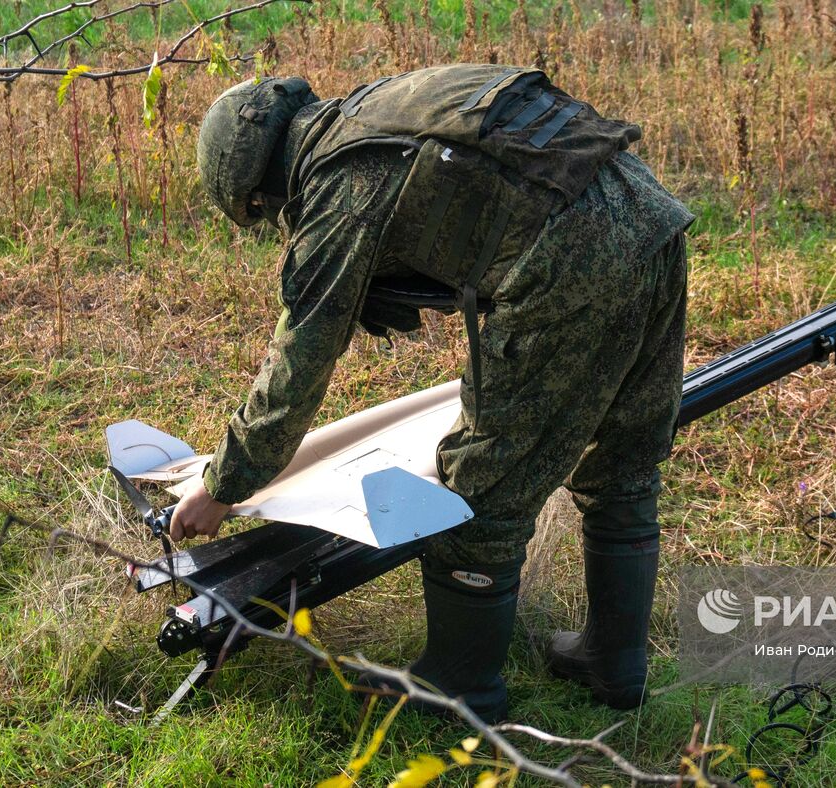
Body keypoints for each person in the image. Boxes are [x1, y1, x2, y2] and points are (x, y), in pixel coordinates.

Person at [170, 66, 693, 723]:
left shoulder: (339, 180)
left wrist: (222, 485)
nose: (276, 223)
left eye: (264, 215)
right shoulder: (372, 113)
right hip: (648, 214)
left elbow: (298, 364)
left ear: (259, 187)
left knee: (476, 489)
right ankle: (615, 663)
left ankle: (460, 685)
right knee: (623, 459)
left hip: (568, 253)